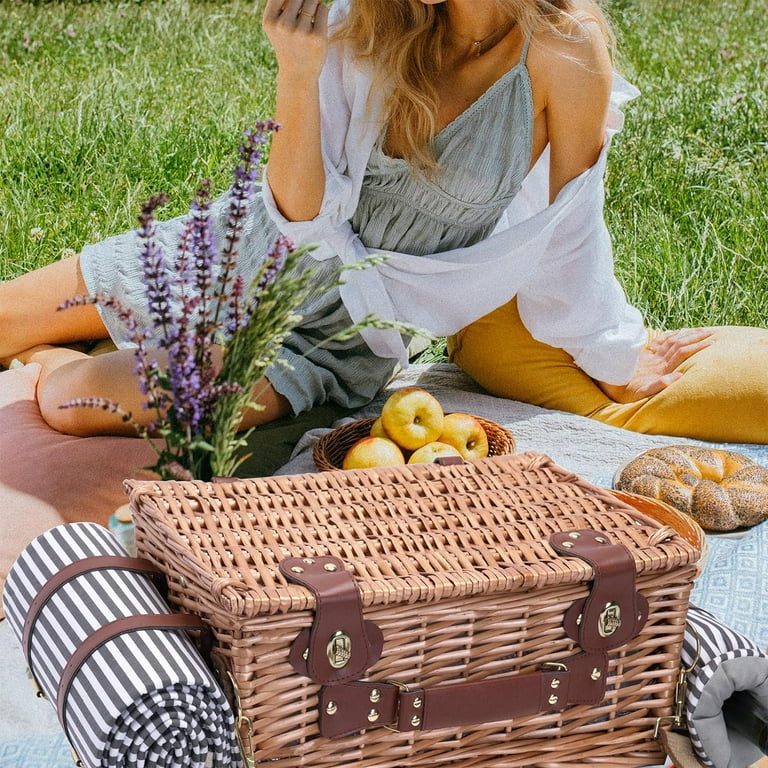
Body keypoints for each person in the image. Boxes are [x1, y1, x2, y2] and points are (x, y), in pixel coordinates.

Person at [0, 0, 765, 445]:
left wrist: (613, 353)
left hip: (329, 338)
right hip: (241, 249)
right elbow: (296, 216)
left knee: (71, 403)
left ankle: (52, 357)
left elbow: (570, 227)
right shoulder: (361, 21)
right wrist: (295, 70)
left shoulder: (565, 48)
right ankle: (64, 332)